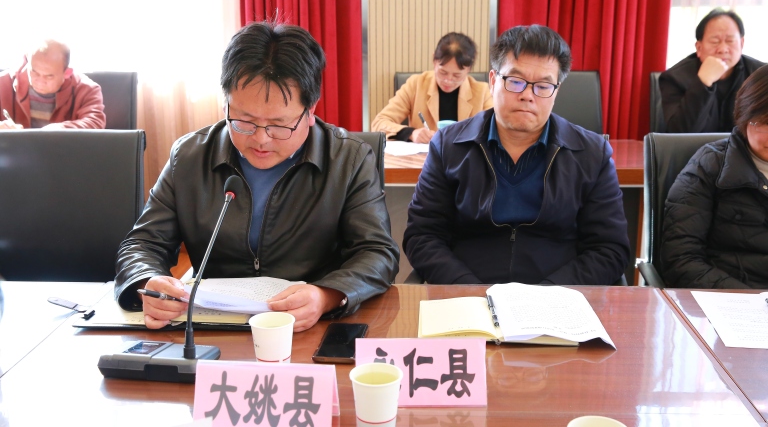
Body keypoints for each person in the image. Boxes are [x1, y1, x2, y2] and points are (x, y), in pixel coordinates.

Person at [114, 21, 399, 332]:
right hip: (211, 328)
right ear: (226, 103)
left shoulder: (349, 159)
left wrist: (326, 295)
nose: (261, 139)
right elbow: (142, 244)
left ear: (311, 110)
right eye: (244, 121)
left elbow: (377, 252)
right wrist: (147, 282)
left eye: (279, 124)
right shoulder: (190, 156)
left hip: (306, 326)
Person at [403, 25, 630, 285]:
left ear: (556, 91)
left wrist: (546, 296)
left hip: (559, 298)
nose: (527, 96)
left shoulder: (591, 154)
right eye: (515, 81)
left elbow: (609, 249)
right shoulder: (448, 146)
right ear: (492, 81)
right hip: (466, 294)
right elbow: (423, 236)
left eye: (543, 86)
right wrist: (469, 290)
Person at [661, 64, 768, 289]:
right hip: (730, 297)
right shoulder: (709, 165)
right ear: (744, 117)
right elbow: (680, 258)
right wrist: (751, 301)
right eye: (764, 123)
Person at [371, 32, 492, 143]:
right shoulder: (416, 85)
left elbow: (497, 130)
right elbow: (379, 123)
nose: (448, 80)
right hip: (423, 158)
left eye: (456, 75)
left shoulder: (482, 92)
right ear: (434, 61)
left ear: (468, 69)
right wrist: (411, 133)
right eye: (443, 72)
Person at [660, 9, 765, 133]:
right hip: (697, 146)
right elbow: (678, 133)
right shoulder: (674, 78)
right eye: (715, 41)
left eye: (730, 41)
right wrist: (703, 83)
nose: (723, 49)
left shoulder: (760, 75)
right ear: (699, 47)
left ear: (741, 44)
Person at [0, 39, 105, 129]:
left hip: (63, 146)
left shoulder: (87, 89)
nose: (39, 81)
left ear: (67, 73)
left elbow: (95, 122)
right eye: (34, 72)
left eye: (49, 76)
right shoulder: (3, 83)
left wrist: (57, 131)